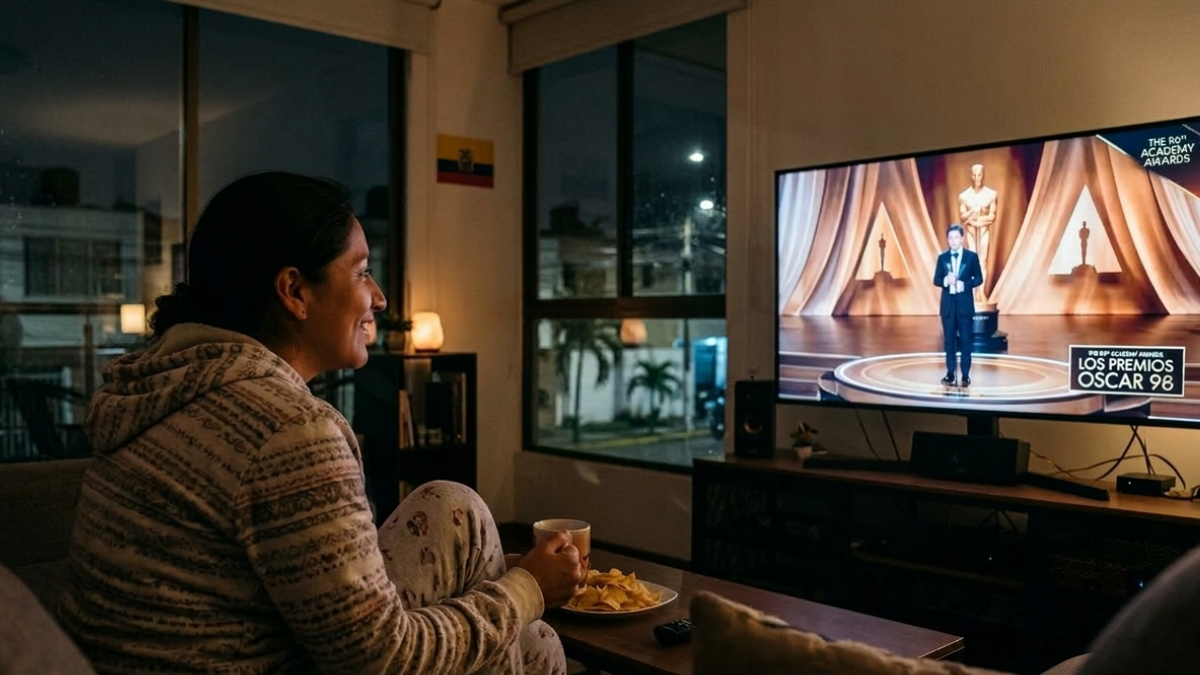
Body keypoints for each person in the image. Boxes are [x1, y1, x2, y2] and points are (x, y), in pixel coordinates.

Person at [57, 172, 583, 675]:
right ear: (294, 291)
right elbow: (380, 661)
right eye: (360, 272)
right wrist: (526, 589)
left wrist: (496, 578)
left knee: (533, 637)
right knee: (463, 519)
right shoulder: (287, 430)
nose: (379, 297)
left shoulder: (165, 389)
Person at [932, 223, 982, 387]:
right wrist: (945, 281)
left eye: (956, 237)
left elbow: (979, 278)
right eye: (950, 238)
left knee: (966, 341)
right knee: (949, 341)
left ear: (962, 238)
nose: (953, 241)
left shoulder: (971, 257)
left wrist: (965, 285)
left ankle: (965, 375)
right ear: (948, 239)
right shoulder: (942, 258)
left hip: (964, 306)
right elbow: (936, 280)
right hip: (948, 307)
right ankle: (950, 373)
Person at [957, 163, 997, 306]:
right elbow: (962, 217)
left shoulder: (991, 194)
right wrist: (972, 212)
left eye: (979, 174)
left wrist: (976, 220)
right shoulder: (964, 196)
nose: (977, 178)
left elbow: (992, 216)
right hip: (971, 233)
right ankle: (974, 295)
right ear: (971, 176)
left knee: (982, 261)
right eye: (974, 175)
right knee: (972, 262)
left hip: (984, 231)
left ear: (983, 175)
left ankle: (981, 292)